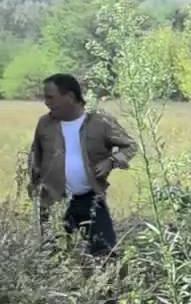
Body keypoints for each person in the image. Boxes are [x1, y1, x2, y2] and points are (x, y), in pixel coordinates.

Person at [28, 74, 137, 258]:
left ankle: (105, 286)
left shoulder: (101, 122)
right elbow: (35, 156)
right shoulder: (44, 123)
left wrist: (111, 161)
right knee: (54, 257)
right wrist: (34, 188)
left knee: (104, 253)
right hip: (54, 202)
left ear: (70, 97)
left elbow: (130, 146)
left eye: (50, 97)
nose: (46, 102)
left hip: (91, 200)